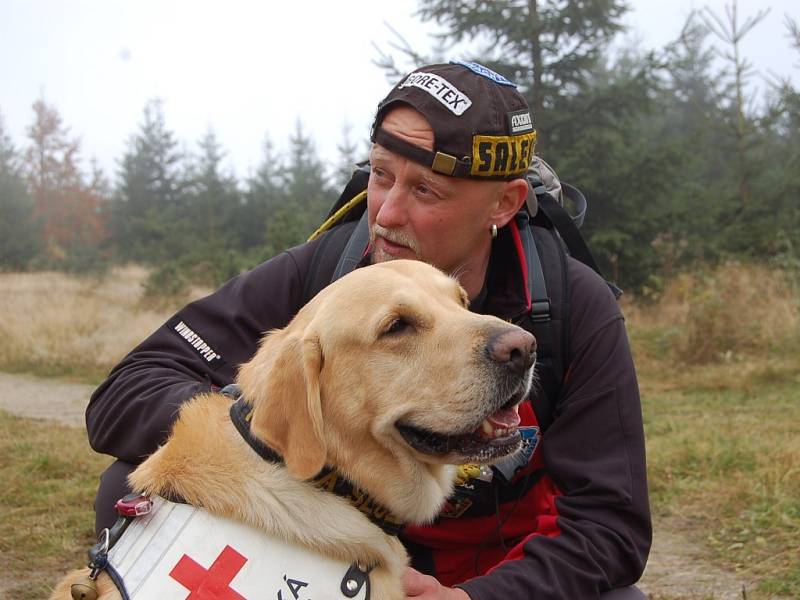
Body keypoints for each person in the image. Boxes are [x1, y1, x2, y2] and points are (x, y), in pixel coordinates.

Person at [86, 61, 651, 599]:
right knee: (126, 487)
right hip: (326, 552)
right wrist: (283, 418)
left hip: (488, 568)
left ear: (504, 203)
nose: (384, 214)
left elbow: (611, 525)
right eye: (380, 176)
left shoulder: (573, 307)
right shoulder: (326, 273)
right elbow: (124, 394)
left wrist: (474, 597)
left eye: (424, 190)